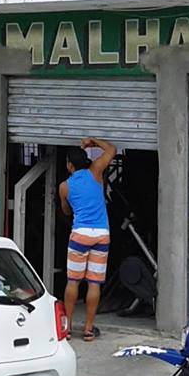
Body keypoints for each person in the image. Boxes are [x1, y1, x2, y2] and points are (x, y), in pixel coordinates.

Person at [59, 136, 117, 343]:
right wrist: (94, 142)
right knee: (94, 283)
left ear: (70, 166)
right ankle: (89, 330)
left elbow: (66, 211)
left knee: (73, 281)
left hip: (80, 234)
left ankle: (67, 329)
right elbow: (112, 149)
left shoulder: (65, 186)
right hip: (101, 234)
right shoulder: (96, 171)